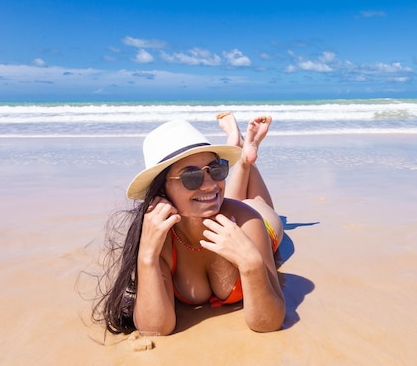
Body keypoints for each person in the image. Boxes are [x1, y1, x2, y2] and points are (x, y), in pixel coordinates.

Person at [93, 113, 285, 336]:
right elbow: (155, 328)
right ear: (161, 189)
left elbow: (268, 323)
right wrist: (146, 256)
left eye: (217, 169)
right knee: (216, 197)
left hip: (261, 222)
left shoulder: (247, 222)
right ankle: (239, 147)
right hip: (220, 209)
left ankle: (245, 159)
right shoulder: (158, 239)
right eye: (190, 176)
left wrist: (251, 263)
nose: (209, 183)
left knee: (256, 204)